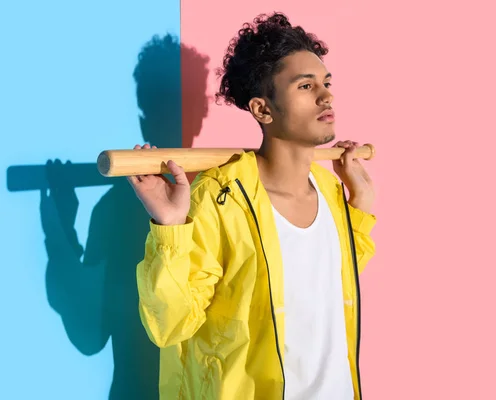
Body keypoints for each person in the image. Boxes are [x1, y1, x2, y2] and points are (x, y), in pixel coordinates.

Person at [128, 12, 376, 400]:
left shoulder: (331, 192)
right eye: (306, 85)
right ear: (263, 110)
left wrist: (358, 206)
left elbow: (328, 286)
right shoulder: (221, 197)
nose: (326, 96)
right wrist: (172, 227)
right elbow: (170, 325)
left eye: (326, 83)